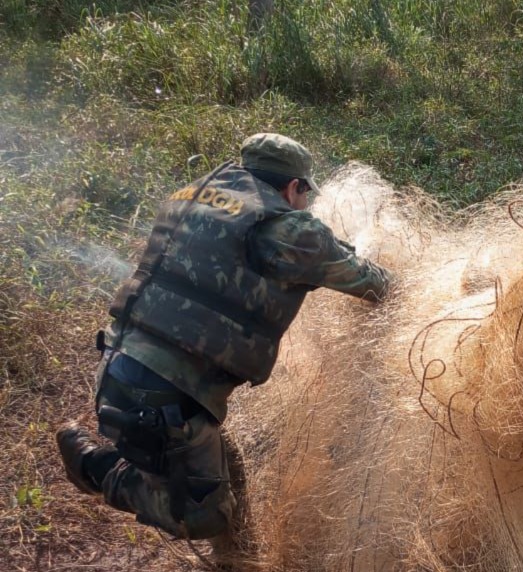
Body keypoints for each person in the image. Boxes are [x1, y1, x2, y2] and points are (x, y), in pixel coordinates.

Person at [57, 133, 391, 540]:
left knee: (227, 471)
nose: (304, 203)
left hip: (121, 365)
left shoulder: (195, 198)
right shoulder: (289, 230)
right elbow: (373, 284)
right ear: (293, 187)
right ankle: (94, 467)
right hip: (163, 396)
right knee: (204, 518)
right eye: (305, 193)